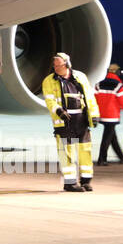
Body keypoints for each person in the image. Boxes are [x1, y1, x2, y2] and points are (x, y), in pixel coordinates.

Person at [42, 52, 100, 191]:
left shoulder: (80, 77)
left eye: (58, 65)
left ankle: (86, 180)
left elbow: (90, 97)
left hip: (81, 120)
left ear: (67, 64)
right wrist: (58, 111)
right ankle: (70, 183)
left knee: (85, 150)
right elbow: (49, 100)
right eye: (54, 65)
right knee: (66, 152)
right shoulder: (49, 81)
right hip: (64, 122)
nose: (55, 68)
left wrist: (95, 115)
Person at [94, 62, 123, 165]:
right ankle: (101, 160)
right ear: (117, 73)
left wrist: (94, 114)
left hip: (101, 115)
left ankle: (121, 156)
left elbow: (93, 100)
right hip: (112, 116)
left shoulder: (98, 84)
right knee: (107, 138)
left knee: (112, 136)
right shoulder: (118, 86)